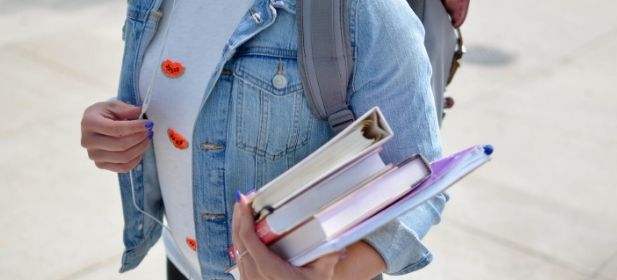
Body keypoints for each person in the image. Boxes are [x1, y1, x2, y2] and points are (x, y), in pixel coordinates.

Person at [80, 0, 462, 279]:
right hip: (180, 264)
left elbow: (419, 180)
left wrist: (339, 274)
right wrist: (110, 130)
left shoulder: (364, 9)